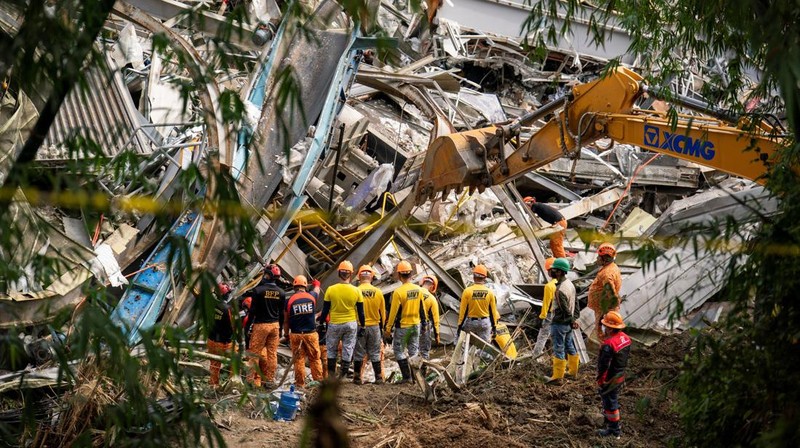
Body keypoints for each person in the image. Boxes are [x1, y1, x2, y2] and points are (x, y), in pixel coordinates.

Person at [318, 261, 365, 378]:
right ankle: (343, 375)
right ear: (351, 274)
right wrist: (363, 325)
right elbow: (361, 312)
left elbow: (325, 310)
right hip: (350, 324)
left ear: (339, 273)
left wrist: (321, 322)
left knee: (331, 349)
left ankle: (331, 375)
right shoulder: (357, 290)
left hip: (335, 324)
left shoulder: (330, 289)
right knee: (348, 348)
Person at [243, 264, 285, 388]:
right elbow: (281, 313)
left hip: (261, 325)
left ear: (267, 275)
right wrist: (281, 328)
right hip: (275, 325)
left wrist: (247, 327)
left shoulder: (258, 290)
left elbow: (253, 311)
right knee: (272, 354)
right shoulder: (281, 293)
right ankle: (269, 381)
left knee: (254, 353)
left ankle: (250, 381)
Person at [384, 260, 425, 384]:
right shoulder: (418, 289)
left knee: (399, 351)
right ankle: (416, 378)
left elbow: (393, 312)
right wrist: (424, 324)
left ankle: (407, 377)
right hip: (415, 325)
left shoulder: (398, 292)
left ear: (400, 275)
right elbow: (422, 309)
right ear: (411, 274)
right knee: (413, 351)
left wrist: (388, 329)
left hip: (403, 327)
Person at [284, 275, 324, 388]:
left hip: (296, 334)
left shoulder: (289, 301)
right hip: (311, 334)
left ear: (294, 287)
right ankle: (318, 383)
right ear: (305, 285)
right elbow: (317, 291)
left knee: (299, 360)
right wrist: (316, 284)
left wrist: (286, 335)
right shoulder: (311, 296)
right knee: (315, 359)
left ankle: (300, 384)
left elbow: (286, 321)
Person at [596, 311, 631, 438]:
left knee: (610, 402)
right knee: (612, 398)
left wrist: (601, 381)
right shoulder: (626, 339)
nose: (604, 328)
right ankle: (610, 423)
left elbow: (603, 366)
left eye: (605, 326)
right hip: (620, 374)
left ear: (610, 328)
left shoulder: (608, 345)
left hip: (610, 378)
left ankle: (614, 431)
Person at [546, 258, 579, 383]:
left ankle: (558, 377)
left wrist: (571, 320)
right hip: (568, 324)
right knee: (569, 345)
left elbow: (564, 308)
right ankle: (572, 372)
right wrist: (574, 319)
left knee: (558, 348)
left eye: (554, 269)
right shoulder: (570, 284)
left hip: (560, 323)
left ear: (559, 272)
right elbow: (575, 304)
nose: (552, 271)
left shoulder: (560, 290)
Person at [353, 265, 386, 384]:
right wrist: (383, 329)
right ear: (372, 277)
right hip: (374, 327)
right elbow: (383, 313)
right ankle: (378, 378)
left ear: (359, 277)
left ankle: (357, 378)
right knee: (375, 352)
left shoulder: (355, 291)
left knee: (358, 352)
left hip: (359, 326)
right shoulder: (378, 292)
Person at [588, 243, 623, 339]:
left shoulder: (607, 274)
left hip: (604, 307)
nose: (597, 259)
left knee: (602, 331)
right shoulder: (611, 267)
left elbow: (610, 294)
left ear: (605, 258)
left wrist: (606, 312)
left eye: (599, 257)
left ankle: (604, 347)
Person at [457, 264, 499, 344]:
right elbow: (493, 312)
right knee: (484, 346)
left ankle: (467, 353)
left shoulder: (467, 291)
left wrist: (459, 327)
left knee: (467, 344)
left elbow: (462, 312)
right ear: (485, 278)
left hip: (471, 323)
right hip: (485, 323)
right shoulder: (490, 292)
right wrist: (494, 327)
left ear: (473, 277)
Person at [208, 283, 235, 387]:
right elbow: (231, 326)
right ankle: (232, 384)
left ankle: (213, 385)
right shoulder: (226, 308)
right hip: (224, 342)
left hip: (211, 339)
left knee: (214, 364)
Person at [532, 257, 557, 358]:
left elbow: (546, 304)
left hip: (550, 315)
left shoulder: (549, 286)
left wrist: (541, 318)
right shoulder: (565, 283)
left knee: (542, 336)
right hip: (560, 314)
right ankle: (556, 358)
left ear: (550, 271)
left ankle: (535, 357)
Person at [419, 275, 441, 360]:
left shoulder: (413, 292)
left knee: (413, 350)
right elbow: (436, 320)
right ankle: (423, 371)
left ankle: (412, 371)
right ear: (432, 286)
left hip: (410, 324)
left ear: (423, 282)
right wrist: (437, 335)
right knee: (424, 351)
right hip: (424, 326)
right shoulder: (432, 299)